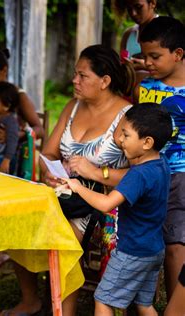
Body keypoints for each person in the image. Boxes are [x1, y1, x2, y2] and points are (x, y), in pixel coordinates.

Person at [1, 45, 135, 316]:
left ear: (105, 81)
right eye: (75, 74)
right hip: (63, 195)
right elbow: (48, 152)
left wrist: (95, 173)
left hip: (104, 203)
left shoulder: (127, 116)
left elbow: (142, 173)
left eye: (82, 75)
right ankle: (31, 300)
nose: (74, 80)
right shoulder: (73, 106)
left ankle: (64, 310)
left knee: (61, 238)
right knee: (16, 226)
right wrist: (50, 171)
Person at [65, 104, 172, 316]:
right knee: (144, 304)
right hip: (154, 250)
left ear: (147, 142)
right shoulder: (162, 164)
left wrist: (77, 187)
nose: (120, 139)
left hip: (132, 251)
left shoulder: (137, 175)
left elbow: (106, 204)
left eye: (126, 134)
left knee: (103, 299)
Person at [137, 16, 185, 300]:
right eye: (145, 57)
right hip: (148, 174)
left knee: (176, 244)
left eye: (155, 56)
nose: (148, 63)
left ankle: (176, 306)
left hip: (180, 175)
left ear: (178, 54)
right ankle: (146, 305)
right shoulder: (146, 87)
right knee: (149, 240)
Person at [0, 49, 44, 145]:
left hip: (14, 155)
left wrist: (14, 135)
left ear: (4, 71)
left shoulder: (18, 95)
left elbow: (40, 131)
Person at [114, 0, 158, 72]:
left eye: (138, 7)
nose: (133, 13)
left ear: (152, 3)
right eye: (129, 9)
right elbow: (122, 64)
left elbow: (176, 67)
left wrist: (145, 66)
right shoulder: (128, 35)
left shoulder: (167, 31)